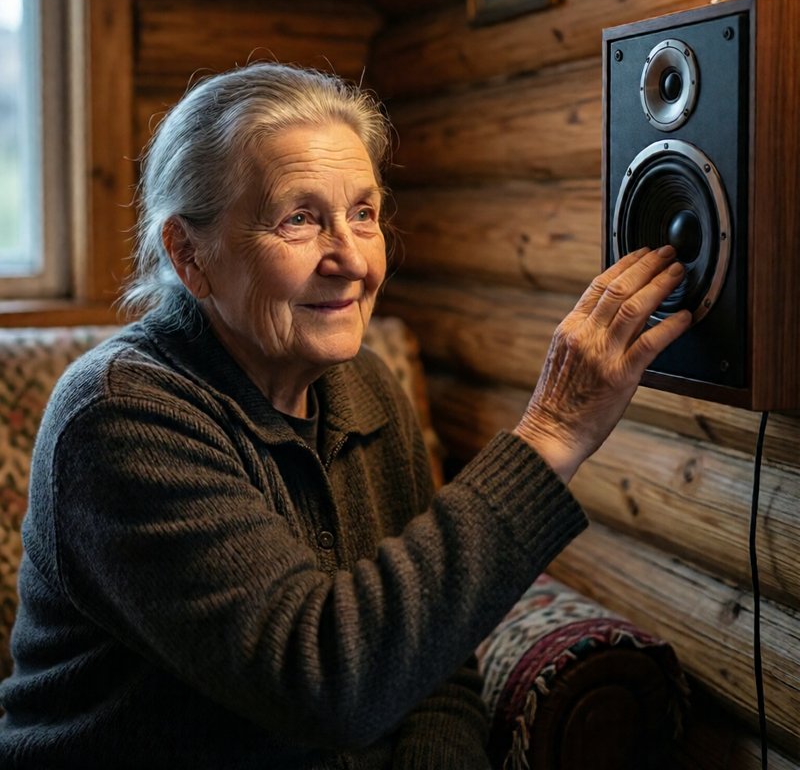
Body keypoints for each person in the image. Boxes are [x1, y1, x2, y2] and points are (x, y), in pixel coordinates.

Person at [0, 62, 691, 769]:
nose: (351, 261)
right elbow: (324, 682)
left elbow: (434, 665)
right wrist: (548, 434)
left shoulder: (364, 386)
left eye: (363, 213)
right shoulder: (120, 416)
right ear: (190, 255)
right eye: (298, 219)